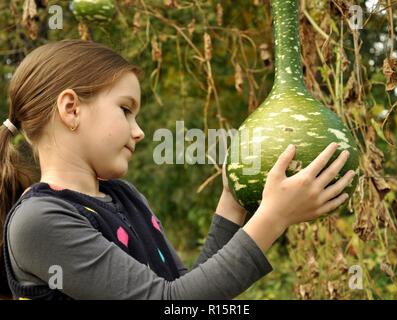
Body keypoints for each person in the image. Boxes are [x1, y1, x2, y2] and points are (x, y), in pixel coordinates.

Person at [0, 39, 355, 300]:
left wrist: (233, 203)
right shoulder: (40, 221)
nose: (138, 131)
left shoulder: (123, 196)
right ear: (71, 109)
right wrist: (273, 219)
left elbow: (184, 288)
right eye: (126, 109)